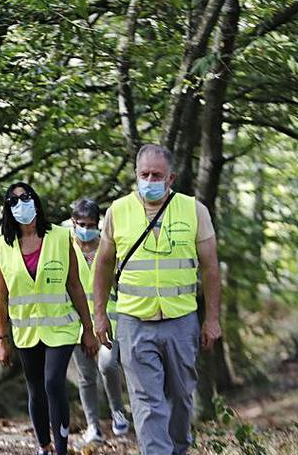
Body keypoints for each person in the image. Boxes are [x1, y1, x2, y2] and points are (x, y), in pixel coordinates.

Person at [93, 144, 222, 455]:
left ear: (171, 178)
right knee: (147, 401)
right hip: (134, 323)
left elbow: (210, 267)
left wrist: (213, 319)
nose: (149, 179)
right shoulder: (118, 211)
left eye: (157, 175)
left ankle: (179, 448)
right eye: (144, 174)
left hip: (181, 321)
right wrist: (99, 314)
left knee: (180, 397)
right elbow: (103, 264)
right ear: (136, 175)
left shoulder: (194, 210)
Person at [0, 182, 98, 455]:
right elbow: (1, 298)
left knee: (53, 382)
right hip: (26, 330)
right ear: (8, 209)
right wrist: (2, 340)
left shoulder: (61, 237)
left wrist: (88, 329)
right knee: (36, 388)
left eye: (25, 197)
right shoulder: (2, 248)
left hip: (61, 326)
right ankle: (44, 445)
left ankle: (61, 447)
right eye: (13, 201)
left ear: (35, 201)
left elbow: (74, 285)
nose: (21, 204)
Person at [68, 198, 129, 444]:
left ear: (98, 223)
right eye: (81, 223)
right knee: (86, 376)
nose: (85, 228)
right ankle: (93, 426)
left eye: (90, 224)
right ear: (73, 223)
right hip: (77, 321)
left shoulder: (108, 246)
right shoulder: (66, 247)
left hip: (109, 317)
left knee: (108, 364)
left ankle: (117, 410)